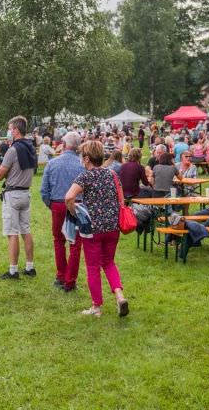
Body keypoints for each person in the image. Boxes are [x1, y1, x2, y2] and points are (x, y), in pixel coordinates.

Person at [65, 140, 129, 318]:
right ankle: (119, 295)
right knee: (109, 262)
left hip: (92, 228)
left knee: (93, 267)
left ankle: (96, 306)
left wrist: (74, 212)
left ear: (87, 159)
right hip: (112, 225)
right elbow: (121, 200)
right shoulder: (112, 175)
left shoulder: (85, 177)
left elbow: (69, 197)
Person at [40, 131, 84, 292]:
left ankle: (61, 275)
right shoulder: (82, 165)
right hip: (76, 205)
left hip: (58, 204)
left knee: (59, 240)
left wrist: (51, 205)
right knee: (74, 243)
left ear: (64, 145)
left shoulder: (53, 163)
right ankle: (70, 280)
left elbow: (44, 190)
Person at [0, 115, 36, 279]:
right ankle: (30, 267)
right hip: (26, 192)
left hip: (13, 193)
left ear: (16, 130)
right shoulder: (30, 147)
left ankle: (13, 270)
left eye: (10, 129)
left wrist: (1, 171)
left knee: (12, 233)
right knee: (26, 230)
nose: (9, 132)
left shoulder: (13, 150)